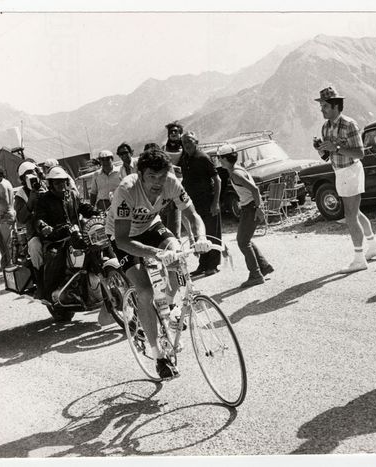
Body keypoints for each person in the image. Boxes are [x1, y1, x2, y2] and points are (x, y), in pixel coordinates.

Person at [106, 148, 212, 379]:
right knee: (144, 291)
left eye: (161, 177)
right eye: (151, 177)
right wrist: (155, 253)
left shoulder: (172, 183)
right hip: (123, 236)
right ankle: (158, 356)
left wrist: (201, 237)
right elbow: (123, 240)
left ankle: (171, 309)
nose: (157, 183)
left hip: (151, 227)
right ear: (140, 174)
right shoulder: (126, 190)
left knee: (177, 255)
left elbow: (193, 215)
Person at [314, 85, 376, 273]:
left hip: (351, 170)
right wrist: (321, 149)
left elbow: (360, 153)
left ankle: (359, 259)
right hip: (340, 171)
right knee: (356, 212)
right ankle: (374, 246)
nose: (322, 109)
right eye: (321, 106)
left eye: (324, 106)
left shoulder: (349, 124)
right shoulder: (325, 127)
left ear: (335, 106)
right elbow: (328, 156)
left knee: (350, 216)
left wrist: (335, 148)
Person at [35, 167, 103, 303]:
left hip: (77, 233)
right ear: (50, 184)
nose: (61, 185)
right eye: (57, 182)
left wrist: (97, 212)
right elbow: (39, 218)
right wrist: (44, 226)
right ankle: (47, 294)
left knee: (100, 245)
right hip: (57, 238)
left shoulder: (72, 194)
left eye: (63, 181)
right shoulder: (44, 199)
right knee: (54, 256)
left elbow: (83, 207)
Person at [216, 143, 274, 287]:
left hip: (250, 208)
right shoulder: (237, 169)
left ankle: (255, 274)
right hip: (249, 207)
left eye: (220, 158)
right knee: (245, 239)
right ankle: (264, 267)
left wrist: (259, 208)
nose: (219, 160)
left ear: (225, 158)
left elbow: (254, 189)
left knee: (242, 242)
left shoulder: (236, 173)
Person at [179, 131, 223, 277]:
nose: (187, 144)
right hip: (195, 204)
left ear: (196, 142)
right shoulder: (185, 159)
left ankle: (213, 265)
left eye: (189, 141)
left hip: (208, 202)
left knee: (212, 234)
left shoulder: (203, 158)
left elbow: (217, 180)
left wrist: (216, 203)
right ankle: (203, 265)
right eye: (184, 142)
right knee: (200, 235)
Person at [14, 161, 48, 296]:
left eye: (33, 172)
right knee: (35, 247)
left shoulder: (45, 185)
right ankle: (41, 285)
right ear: (22, 179)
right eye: (27, 175)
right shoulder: (20, 194)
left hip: (53, 226)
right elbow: (21, 218)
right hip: (34, 232)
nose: (31, 177)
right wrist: (30, 201)